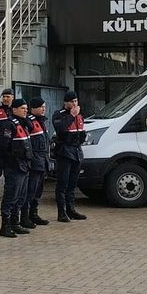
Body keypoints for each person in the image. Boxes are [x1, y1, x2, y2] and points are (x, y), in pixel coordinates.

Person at [0, 97, 32, 238]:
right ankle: (5, 226)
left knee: (20, 197)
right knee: (11, 196)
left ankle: (15, 223)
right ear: (15, 110)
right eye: (23, 108)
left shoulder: (23, 124)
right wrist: (13, 160)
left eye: (26, 109)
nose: (25, 111)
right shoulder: (9, 124)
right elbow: (3, 147)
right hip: (14, 167)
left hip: (24, 166)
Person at [52, 92, 88, 223]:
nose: (74, 104)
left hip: (77, 151)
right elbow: (60, 129)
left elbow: (81, 133)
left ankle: (71, 209)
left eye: (76, 101)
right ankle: (61, 212)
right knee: (63, 183)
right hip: (65, 152)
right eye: (72, 101)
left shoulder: (80, 116)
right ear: (65, 103)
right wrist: (71, 116)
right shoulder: (59, 114)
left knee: (72, 184)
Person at [24, 98, 52, 228]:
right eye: (41, 107)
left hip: (42, 162)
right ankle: (25, 217)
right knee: (30, 191)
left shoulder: (42, 122)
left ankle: (34, 214)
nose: (43, 109)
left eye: (44, 107)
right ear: (33, 108)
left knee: (38, 191)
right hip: (34, 163)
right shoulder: (29, 122)